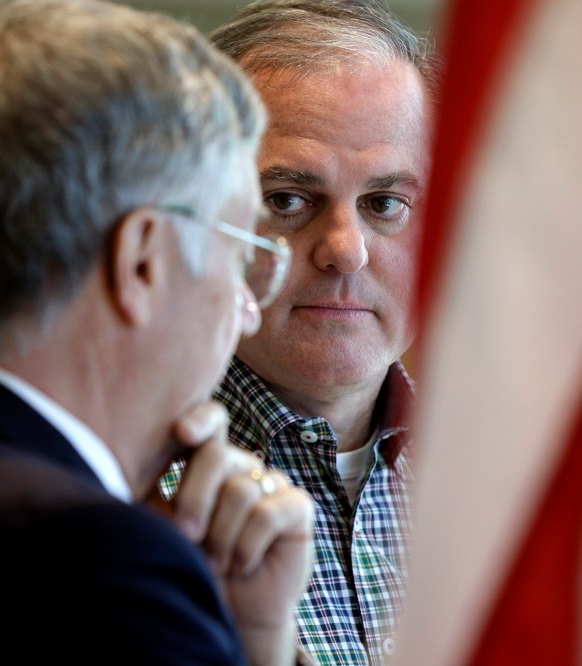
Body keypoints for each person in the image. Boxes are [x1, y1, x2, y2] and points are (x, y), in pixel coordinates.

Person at [0, 1, 315, 664]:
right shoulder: (104, 564)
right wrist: (259, 647)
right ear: (142, 260)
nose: (248, 310)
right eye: (241, 256)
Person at [204, 1, 440, 663]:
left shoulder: (496, 480)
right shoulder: (123, 485)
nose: (345, 250)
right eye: (286, 200)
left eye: (386, 203)